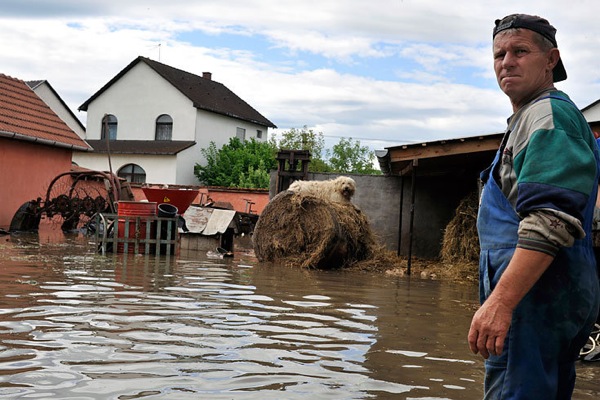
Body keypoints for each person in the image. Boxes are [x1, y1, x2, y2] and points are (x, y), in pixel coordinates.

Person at [468, 14, 600, 399]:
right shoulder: (535, 117)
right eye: (499, 54)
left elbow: (550, 219)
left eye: (520, 51)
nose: (506, 61)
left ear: (551, 60)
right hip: (556, 296)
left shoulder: (547, 116)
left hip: (535, 301)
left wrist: (501, 302)